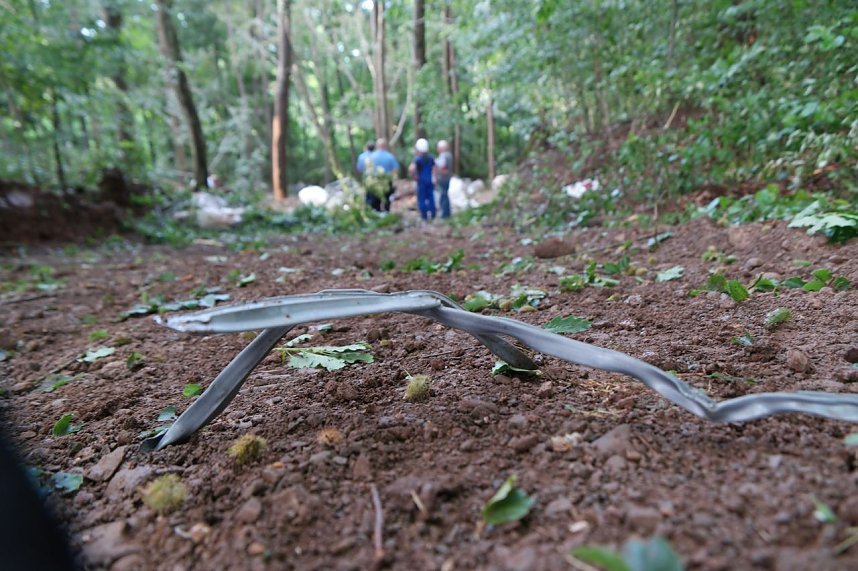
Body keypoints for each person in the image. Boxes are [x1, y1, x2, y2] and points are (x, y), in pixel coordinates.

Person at [365, 138, 398, 212]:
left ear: (377, 146)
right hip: (387, 183)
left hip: (374, 182)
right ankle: (386, 213)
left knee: (375, 202)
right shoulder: (390, 156)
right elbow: (395, 170)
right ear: (385, 146)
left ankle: (377, 214)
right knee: (387, 201)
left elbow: (367, 170)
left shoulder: (371, 157)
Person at [409, 138, 436, 220]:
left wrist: (414, 177)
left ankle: (424, 216)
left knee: (422, 199)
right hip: (429, 180)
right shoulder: (431, 158)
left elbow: (411, 169)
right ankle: (433, 215)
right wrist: (434, 177)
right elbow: (435, 168)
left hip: (421, 181)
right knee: (431, 198)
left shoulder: (418, 159)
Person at [435, 140, 453, 219]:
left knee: (443, 196)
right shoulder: (449, 155)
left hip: (443, 178)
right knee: (445, 195)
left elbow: (443, 167)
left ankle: (444, 215)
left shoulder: (444, 156)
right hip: (447, 178)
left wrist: (436, 169)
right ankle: (447, 213)